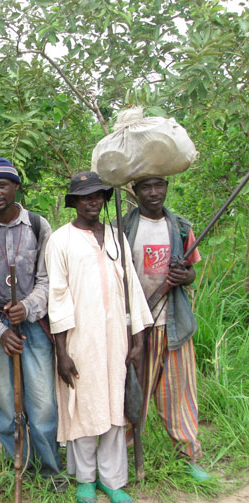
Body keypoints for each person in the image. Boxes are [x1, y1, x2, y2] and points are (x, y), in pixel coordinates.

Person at [45, 172, 153, 503]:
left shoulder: (117, 237)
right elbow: (58, 295)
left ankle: (112, 479)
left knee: (115, 405)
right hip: (80, 338)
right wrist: (62, 351)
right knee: (85, 405)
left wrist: (137, 339)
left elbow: (131, 287)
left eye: (98, 195)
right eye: (85, 196)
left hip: (116, 337)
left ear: (105, 198)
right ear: (74, 202)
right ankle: (85, 479)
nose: (93, 201)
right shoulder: (61, 240)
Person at [0, 157, 65, 490]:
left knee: (43, 400)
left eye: (2, 184)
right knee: (6, 401)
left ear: (16, 186)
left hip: (33, 324)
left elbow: (49, 279)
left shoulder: (38, 225)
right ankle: (16, 463)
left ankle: (49, 469)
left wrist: (30, 306)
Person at [121, 176, 208, 481]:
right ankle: (123, 458)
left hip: (174, 324)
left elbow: (193, 270)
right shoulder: (123, 229)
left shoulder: (180, 226)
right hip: (136, 329)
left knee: (179, 394)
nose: (154, 192)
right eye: (146, 186)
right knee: (132, 392)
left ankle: (188, 456)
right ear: (135, 190)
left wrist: (185, 277)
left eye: (160, 185)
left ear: (167, 187)